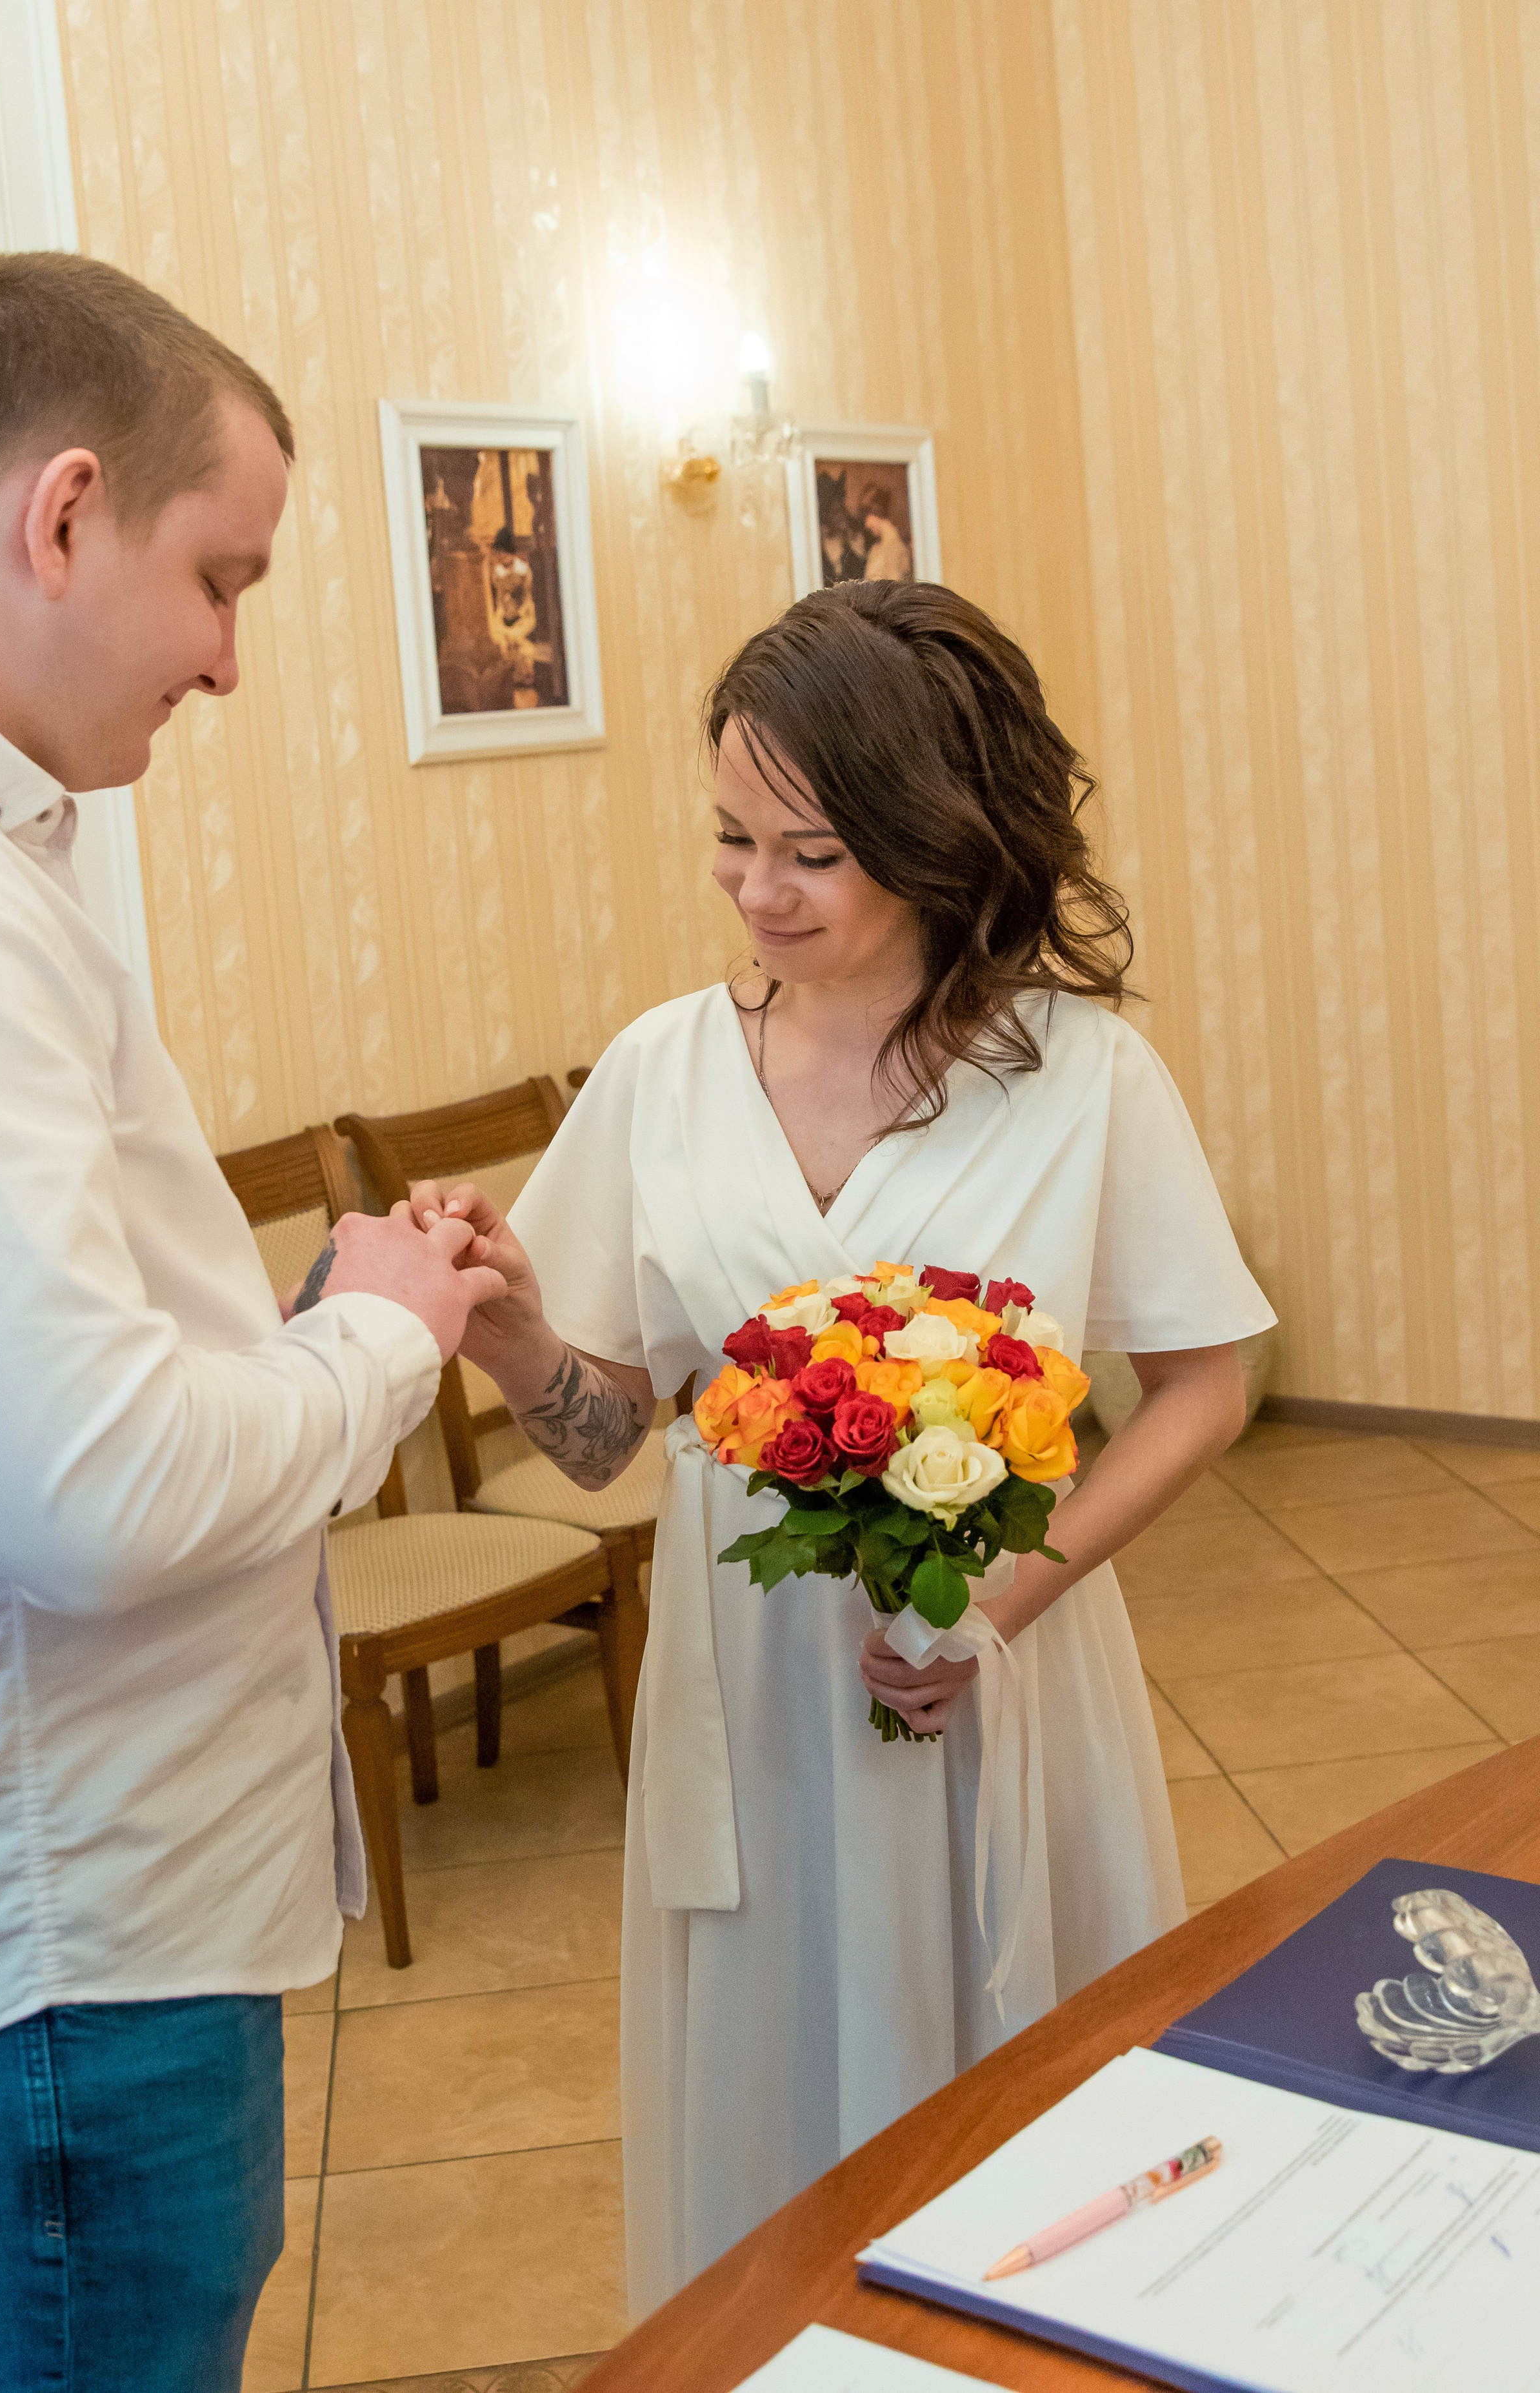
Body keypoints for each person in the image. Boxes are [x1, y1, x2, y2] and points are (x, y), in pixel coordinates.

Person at [428, 580, 1276, 2316]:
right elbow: (603, 1439)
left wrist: (1003, 1605)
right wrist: (511, 1330)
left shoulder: (1082, 1079)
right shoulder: (664, 1073)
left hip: (997, 1668)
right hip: (751, 1698)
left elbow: (1209, 1381)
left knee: (1024, 2112)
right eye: (731, 839)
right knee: (777, 2130)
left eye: (810, 852)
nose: (757, 892)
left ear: (935, 837)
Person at [0, 253, 504, 2390]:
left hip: (83, 1934)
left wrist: (301, 1323)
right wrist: (380, 1341)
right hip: (58, 1965)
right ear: (62, 515)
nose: (232, 659)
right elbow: (89, 1489)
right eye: (220, 579)